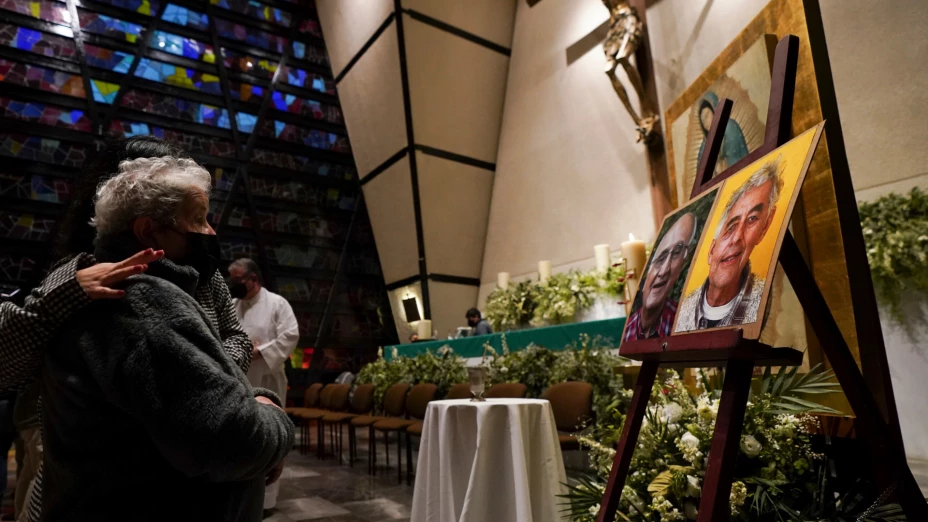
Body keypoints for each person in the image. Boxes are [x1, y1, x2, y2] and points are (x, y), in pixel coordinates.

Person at [0, 136, 254, 522]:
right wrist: (63, 295)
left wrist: (217, 369)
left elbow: (235, 337)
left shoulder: (205, 276)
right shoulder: (82, 270)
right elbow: (9, 363)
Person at [40, 157, 293, 521]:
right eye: (198, 218)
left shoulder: (110, 290)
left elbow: (188, 394)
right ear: (148, 232)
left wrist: (253, 397)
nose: (210, 231)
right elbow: (230, 442)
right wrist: (275, 417)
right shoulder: (144, 304)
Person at [675, 158, 783, 331]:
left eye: (752, 219)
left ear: (765, 227)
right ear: (710, 251)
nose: (736, 238)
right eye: (730, 227)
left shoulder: (764, 299)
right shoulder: (682, 310)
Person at [227, 258, 299, 512]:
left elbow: (290, 334)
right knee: (242, 438)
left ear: (253, 280)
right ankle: (242, 496)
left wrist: (262, 352)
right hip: (239, 380)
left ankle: (266, 502)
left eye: (237, 282)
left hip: (268, 379)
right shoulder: (233, 305)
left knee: (268, 436)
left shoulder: (277, 303)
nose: (233, 287)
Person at [624, 213, 696, 340]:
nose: (663, 271)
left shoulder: (682, 323)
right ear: (645, 276)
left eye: (676, 254)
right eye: (660, 259)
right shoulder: (629, 329)